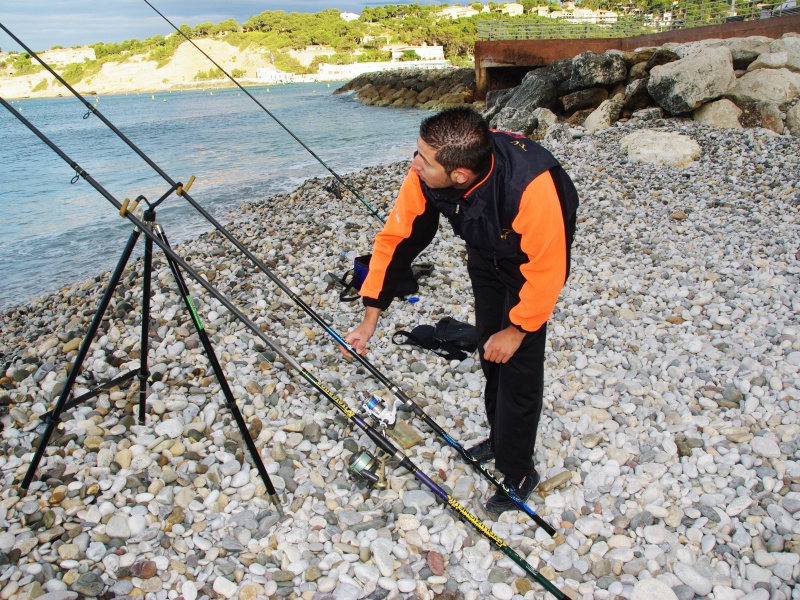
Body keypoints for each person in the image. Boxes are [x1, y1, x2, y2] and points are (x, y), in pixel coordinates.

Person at [344, 107, 578, 513]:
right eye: (417, 152)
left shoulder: (531, 187)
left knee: (517, 363)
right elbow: (396, 240)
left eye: (422, 159)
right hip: (485, 251)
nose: (413, 163)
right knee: (490, 351)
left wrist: (519, 328)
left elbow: (549, 269)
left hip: (527, 260)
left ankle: (519, 468)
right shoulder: (429, 173)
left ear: (459, 175)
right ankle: (500, 437)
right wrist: (370, 317)